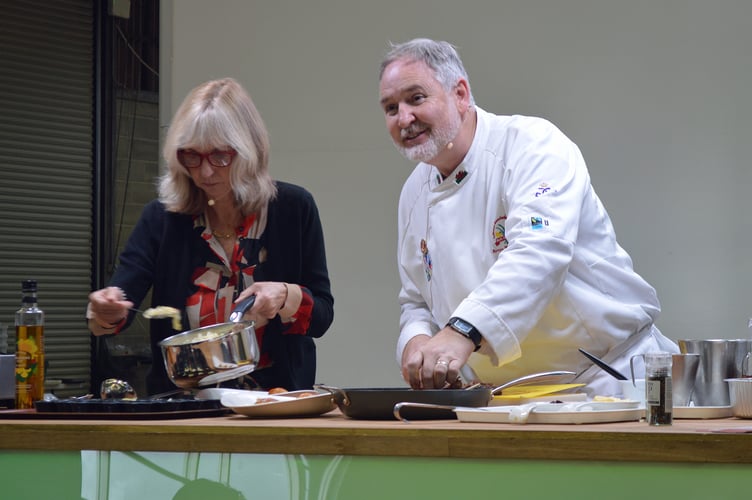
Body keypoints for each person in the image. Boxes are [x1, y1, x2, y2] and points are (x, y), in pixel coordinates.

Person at [378, 38, 677, 397]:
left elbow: (540, 251)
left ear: (460, 94)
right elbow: (416, 301)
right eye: (391, 108)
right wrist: (416, 342)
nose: (404, 118)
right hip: (506, 394)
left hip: (608, 379)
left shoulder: (532, 144)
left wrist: (462, 332)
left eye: (416, 98)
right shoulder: (414, 192)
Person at [87, 78, 334, 395]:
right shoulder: (162, 219)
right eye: (192, 156)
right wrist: (105, 310)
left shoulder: (293, 209)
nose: (204, 172)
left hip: (274, 402)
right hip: (183, 405)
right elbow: (117, 304)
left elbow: (322, 317)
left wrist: (285, 295)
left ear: (248, 152)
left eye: (220, 156)